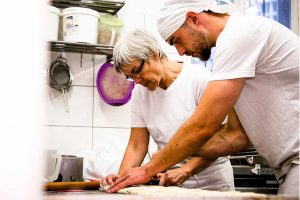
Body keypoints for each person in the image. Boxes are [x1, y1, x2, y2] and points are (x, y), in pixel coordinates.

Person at [107, 0, 299, 195]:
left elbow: (203, 126)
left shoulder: (240, 34)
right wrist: (130, 176)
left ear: (193, 19)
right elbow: (236, 137)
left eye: (177, 40)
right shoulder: (233, 47)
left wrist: (150, 169)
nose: (180, 52)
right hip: (288, 167)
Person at [99, 28, 242, 191]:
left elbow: (224, 135)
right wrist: (120, 180)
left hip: (213, 185)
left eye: (137, 71)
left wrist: (186, 170)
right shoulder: (139, 94)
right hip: (169, 187)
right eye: (130, 77)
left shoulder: (199, 79)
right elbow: (136, 145)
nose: (136, 80)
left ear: (154, 54)